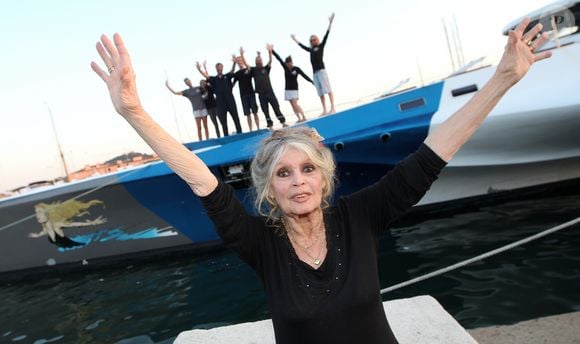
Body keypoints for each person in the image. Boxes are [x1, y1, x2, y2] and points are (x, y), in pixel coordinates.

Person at [91, 18, 550, 343]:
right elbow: (203, 182)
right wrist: (134, 111)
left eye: (308, 169)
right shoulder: (260, 242)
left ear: (325, 178)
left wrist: (502, 79)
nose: (297, 182)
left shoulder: (360, 216)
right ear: (269, 189)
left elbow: (432, 154)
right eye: (284, 174)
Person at [292, 12, 336, 115]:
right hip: (315, 73)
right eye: (311, 40)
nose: (313, 41)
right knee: (320, 92)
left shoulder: (320, 47)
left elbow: (326, 35)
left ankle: (332, 108)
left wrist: (330, 23)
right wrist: (295, 40)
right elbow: (302, 47)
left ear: (317, 40)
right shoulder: (311, 50)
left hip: (321, 71)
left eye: (315, 39)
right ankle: (324, 109)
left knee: (328, 89)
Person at [240, 46, 287, 129]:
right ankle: (270, 125)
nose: (259, 62)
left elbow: (270, 61)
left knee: (276, 107)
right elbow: (246, 64)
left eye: (260, 60)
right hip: (261, 94)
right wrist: (242, 54)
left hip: (270, 92)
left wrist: (269, 52)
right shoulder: (253, 70)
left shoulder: (266, 68)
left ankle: (283, 122)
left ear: (262, 61)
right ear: (255, 62)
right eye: (257, 61)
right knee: (265, 110)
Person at [196, 59, 242, 136]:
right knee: (223, 121)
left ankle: (240, 133)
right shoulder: (213, 79)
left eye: (220, 67)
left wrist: (234, 62)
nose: (219, 69)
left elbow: (232, 70)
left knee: (235, 117)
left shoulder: (227, 76)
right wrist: (199, 69)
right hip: (220, 102)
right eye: (218, 68)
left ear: (222, 68)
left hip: (230, 100)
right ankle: (226, 136)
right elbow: (205, 75)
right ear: (216, 69)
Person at [270, 45, 313, 123]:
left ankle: (304, 116)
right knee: (292, 105)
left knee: (295, 103)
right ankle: (299, 118)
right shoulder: (285, 68)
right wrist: (272, 50)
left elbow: (304, 75)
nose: (288, 65)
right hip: (287, 89)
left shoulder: (296, 69)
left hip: (294, 89)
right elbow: (279, 58)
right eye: (287, 63)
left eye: (289, 63)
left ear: (292, 62)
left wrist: (312, 81)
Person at [233, 56, 261, 131]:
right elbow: (232, 84)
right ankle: (251, 130)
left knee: (255, 112)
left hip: (251, 93)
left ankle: (258, 128)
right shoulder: (237, 73)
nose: (239, 62)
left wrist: (243, 57)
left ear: (243, 61)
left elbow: (250, 69)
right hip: (243, 95)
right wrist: (234, 63)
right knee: (247, 114)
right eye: (238, 61)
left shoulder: (248, 70)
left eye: (240, 61)